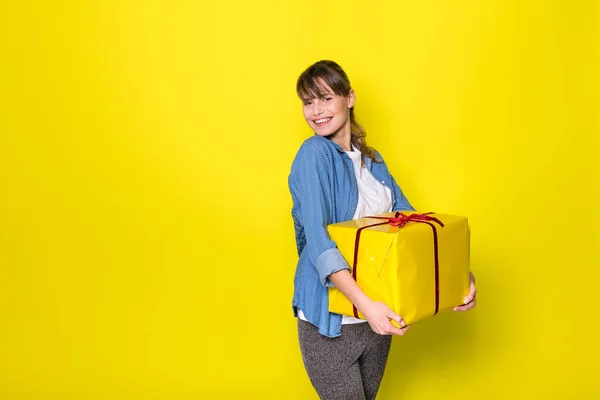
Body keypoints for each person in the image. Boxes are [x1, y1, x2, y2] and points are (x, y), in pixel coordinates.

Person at [288, 60, 477, 400]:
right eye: (307, 102)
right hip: (333, 320)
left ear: (350, 98)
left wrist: (458, 280)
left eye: (325, 98)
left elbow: (412, 227)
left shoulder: (372, 161)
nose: (315, 111)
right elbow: (318, 242)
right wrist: (366, 304)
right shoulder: (313, 154)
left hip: (377, 315)